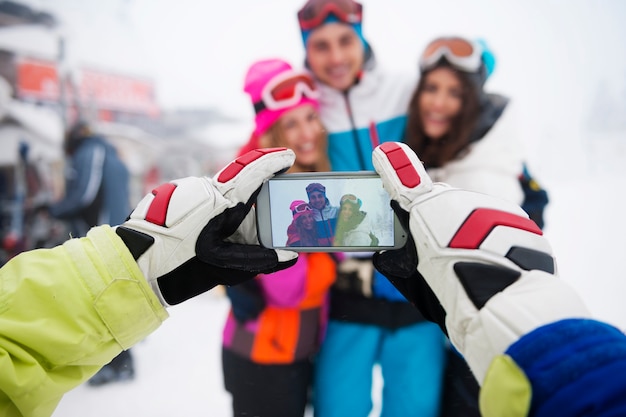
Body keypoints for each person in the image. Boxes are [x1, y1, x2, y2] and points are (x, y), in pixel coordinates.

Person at [2, 144, 626, 417]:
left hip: (352, 328)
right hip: (274, 350)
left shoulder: (335, 204)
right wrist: (532, 321)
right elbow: (286, 285)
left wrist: (131, 265)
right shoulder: (281, 206)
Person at [296, 1, 446, 415]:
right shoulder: (307, 112)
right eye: (321, 46)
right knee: (338, 406)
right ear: (306, 51)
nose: (337, 57)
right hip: (348, 294)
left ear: (362, 39)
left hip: (416, 288)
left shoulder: (404, 90)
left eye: (346, 41)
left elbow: (464, 114)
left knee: (415, 407)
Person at [404, 36, 541, 416]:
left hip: (485, 342)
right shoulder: (441, 149)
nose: (438, 102)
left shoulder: (485, 173)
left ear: (473, 103)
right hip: (450, 335)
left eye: (454, 93)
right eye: (431, 88)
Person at [221, 58, 336, 417]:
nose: (307, 133)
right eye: (291, 124)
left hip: (291, 349)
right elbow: (288, 289)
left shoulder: (312, 181)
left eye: (311, 117)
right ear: (274, 134)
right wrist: (333, 265)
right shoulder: (268, 191)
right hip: (263, 355)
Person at [49, 120, 136, 386]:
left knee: (100, 302)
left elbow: (84, 195)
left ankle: (115, 364)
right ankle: (119, 363)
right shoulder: (110, 153)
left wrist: (55, 209)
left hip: (101, 237)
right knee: (111, 300)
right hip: (115, 234)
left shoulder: (91, 153)